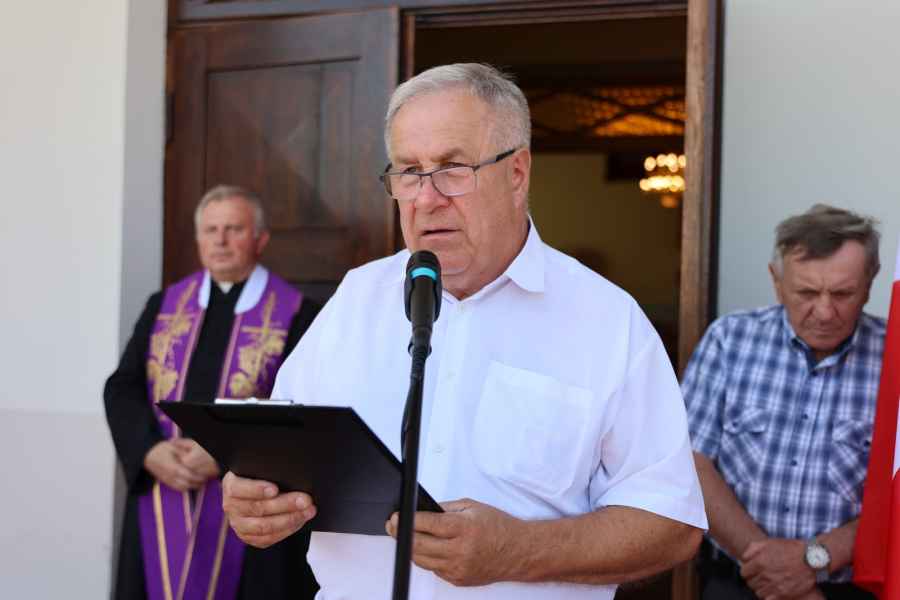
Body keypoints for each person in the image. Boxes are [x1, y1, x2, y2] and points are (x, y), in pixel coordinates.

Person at [221, 63, 707, 599]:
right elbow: (280, 455)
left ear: (517, 172)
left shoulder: (608, 320)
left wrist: (521, 550)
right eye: (409, 171)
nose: (426, 197)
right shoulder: (356, 299)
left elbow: (672, 524)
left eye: (453, 168)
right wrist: (253, 498)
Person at [104, 185, 321, 600]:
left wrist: (225, 455)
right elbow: (122, 387)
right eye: (210, 230)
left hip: (251, 505)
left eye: (233, 229)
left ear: (260, 239)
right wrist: (149, 450)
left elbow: (304, 409)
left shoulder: (298, 314)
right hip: (163, 492)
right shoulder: (163, 306)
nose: (220, 241)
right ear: (198, 238)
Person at [682, 204, 884, 600]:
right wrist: (775, 571)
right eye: (807, 293)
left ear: (869, 283)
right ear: (777, 282)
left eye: (843, 294)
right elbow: (690, 462)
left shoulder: (894, 357)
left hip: (848, 588)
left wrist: (813, 561)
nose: (824, 312)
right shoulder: (730, 340)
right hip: (738, 582)